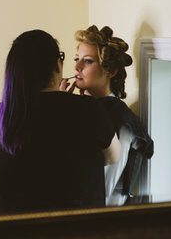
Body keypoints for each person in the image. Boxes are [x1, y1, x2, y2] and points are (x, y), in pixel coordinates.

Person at [0, 29, 120, 216]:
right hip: (75, 237)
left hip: (10, 237)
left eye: (88, 61)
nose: (77, 68)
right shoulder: (88, 109)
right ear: (58, 65)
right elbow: (114, 156)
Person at [63, 25, 154, 205]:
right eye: (76, 59)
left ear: (110, 71)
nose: (77, 66)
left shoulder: (121, 120)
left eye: (88, 61)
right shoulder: (77, 108)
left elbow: (104, 190)